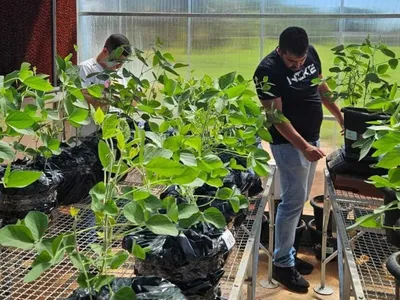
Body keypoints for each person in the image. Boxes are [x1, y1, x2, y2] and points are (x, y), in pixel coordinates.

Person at [253, 27, 344, 293]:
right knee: (293, 199)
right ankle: (282, 263)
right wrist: (303, 147)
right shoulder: (266, 71)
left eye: (301, 61)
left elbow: (320, 85)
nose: (298, 66)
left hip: (310, 140)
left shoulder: (310, 53)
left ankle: (287, 255)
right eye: (292, 62)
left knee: (300, 197)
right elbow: (276, 118)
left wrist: (339, 115)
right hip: (289, 144)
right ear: (280, 51)